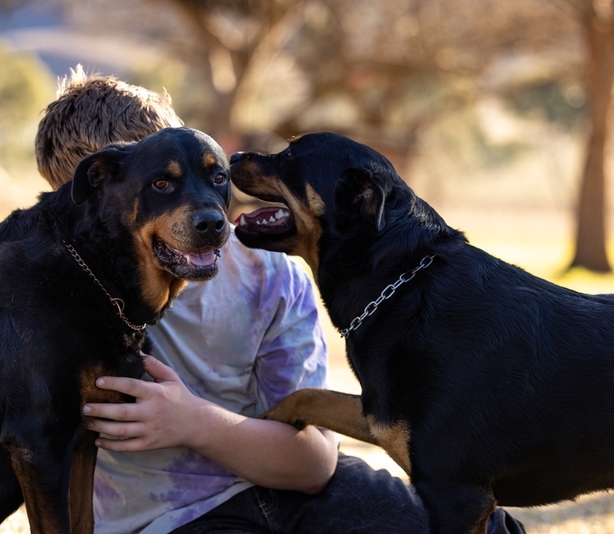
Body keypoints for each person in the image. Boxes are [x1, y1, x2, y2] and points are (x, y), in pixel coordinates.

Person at [35, 66, 526, 534]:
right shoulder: (56, 295)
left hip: (295, 492)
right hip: (168, 521)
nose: (180, 208)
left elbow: (312, 464)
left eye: (178, 176)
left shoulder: (270, 273)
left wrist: (190, 421)